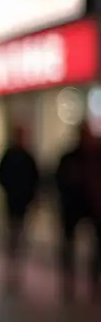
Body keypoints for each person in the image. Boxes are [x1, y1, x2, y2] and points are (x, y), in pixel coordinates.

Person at [54, 121, 101, 301]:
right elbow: (60, 180)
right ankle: (69, 281)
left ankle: (93, 282)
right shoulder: (70, 157)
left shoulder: (96, 156)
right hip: (73, 206)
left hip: (93, 207)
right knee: (68, 244)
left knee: (95, 247)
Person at [0, 124, 40, 294]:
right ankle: (12, 263)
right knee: (12, 233)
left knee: (20, 233)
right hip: (11, 201)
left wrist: (32, 197)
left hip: (23, 202)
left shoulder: (28, 157)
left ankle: (17, 263)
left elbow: (35, 179)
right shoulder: (9, 155)